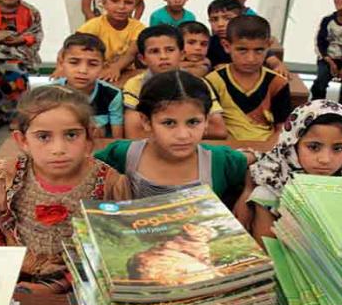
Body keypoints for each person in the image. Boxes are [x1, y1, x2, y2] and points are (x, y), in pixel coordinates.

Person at [0, 85, 130, 294]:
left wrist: (61, 284)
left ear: (89, 138)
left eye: (71, 135)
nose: (58, 149)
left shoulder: (109, 183)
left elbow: (113, 246)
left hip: (81, 281)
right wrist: (2, 270)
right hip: (13, 274)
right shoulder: (9, 175)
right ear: (23, 140)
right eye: (43, 137)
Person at [95, 70, 250, 207]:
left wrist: (248, 191)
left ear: (206, 121)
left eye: (193, 122)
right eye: (169, 123)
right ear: (146, 121)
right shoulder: (123, 154)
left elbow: (259, 161)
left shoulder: (220, 159)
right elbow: (87, 169)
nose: (183, 135)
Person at [244, 100, 342, 241]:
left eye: (338, 148)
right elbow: (266, 245)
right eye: (314, 147)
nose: (325, 159)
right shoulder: (270, 192)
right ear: (292, 145)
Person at [122, 25, 227, 140]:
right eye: (154, 51)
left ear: (182, 54)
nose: (163, 56)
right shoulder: (135, 85)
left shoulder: (198, 83)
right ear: (142, 59)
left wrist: (166, 129)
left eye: (170, 50)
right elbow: (134, 134)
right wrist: (191, 126)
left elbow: (218, 130)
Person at [205, 15, 291, 142]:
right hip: (226, 148)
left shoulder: (278, 83)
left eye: (259, 50)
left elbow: (282, 128)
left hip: (266, 147)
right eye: (242, 50)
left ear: (268, 46)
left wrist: (267, 150)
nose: (251, 58)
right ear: (226, 46)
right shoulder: (213, 81)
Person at [53, 32, 124, 138]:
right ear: (61, 63)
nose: (83, 70)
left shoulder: (112, 94)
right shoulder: (49, 94)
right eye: (74, 62)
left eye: (93, 64)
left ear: (103, 66)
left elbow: (117, 139)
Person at [76, 0, 146, 83]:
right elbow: (72, 46)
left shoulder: (138, 27)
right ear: (104, 3)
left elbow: (131, 54)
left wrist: (116, 68)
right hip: (97, 71)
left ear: (135, 5)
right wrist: (60, 68)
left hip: (125, 70)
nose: (121, 7)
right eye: (115, 1)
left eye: (128, 2)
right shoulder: (94, 25)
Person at [205, 0, 288, 77]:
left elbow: (273, 61)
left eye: (227, 18)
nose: (220, 24)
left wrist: (278, 66)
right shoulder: (207, 43)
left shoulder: (250, 42)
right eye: (214, 19)